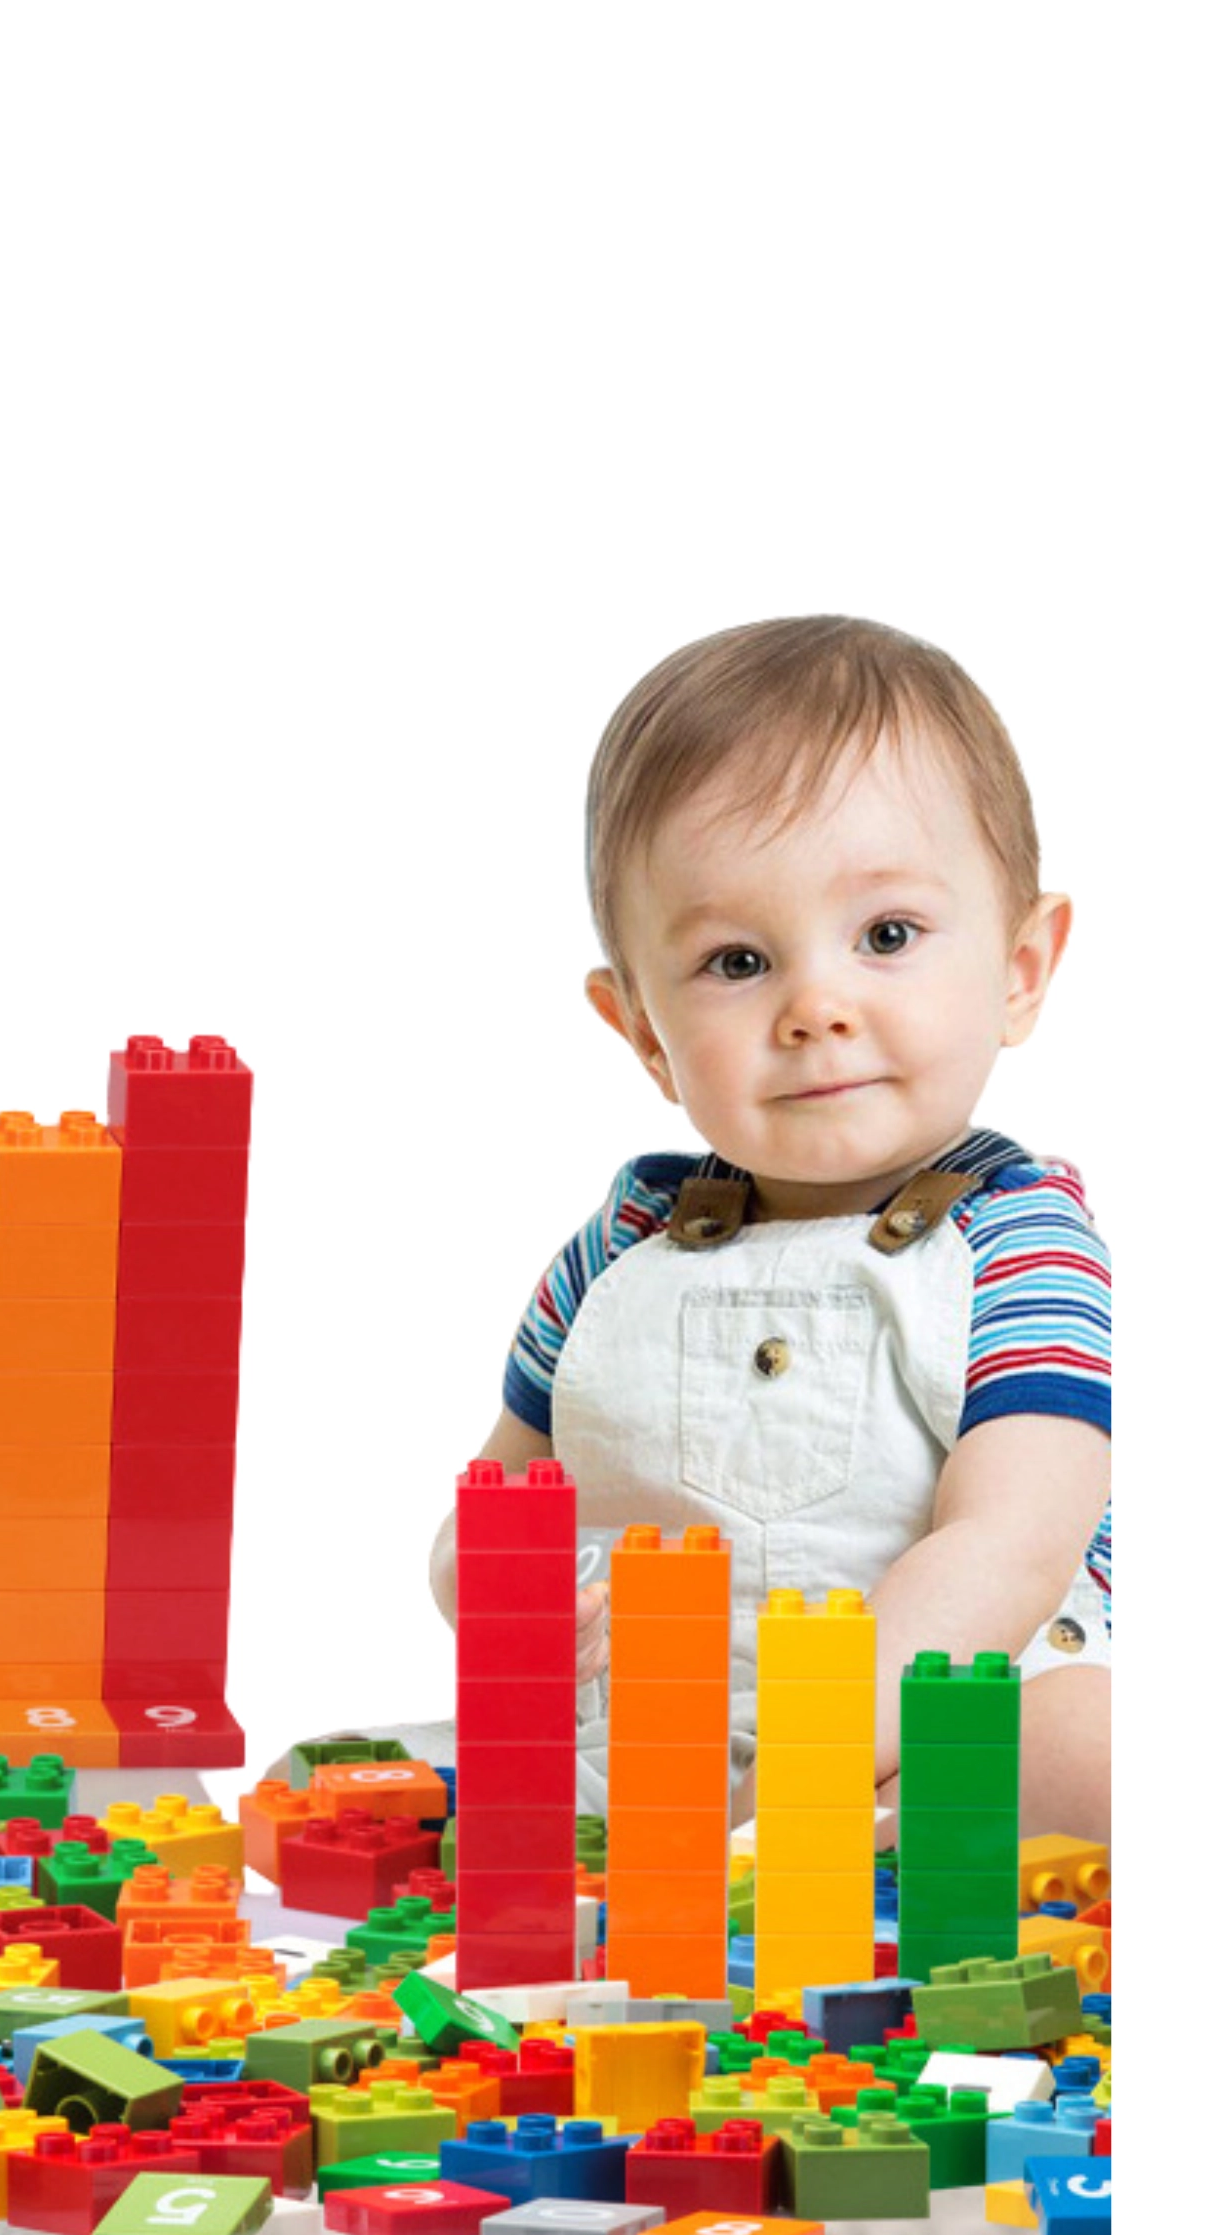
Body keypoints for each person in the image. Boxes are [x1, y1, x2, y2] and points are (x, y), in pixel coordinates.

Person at [426, 616, 1110, 1840]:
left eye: (886, 937)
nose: (815, 1007)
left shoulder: (1020, 1245)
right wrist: (494, 1596)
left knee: (1092, 1745)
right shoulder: (616, 1247)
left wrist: (817, 1757)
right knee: (410, 1771)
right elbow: (495, 1503)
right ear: (643, 1031)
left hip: (916, 1743)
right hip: (650, 1755)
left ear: (1019, 969)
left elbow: (1010, 1542)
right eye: (737, 961)